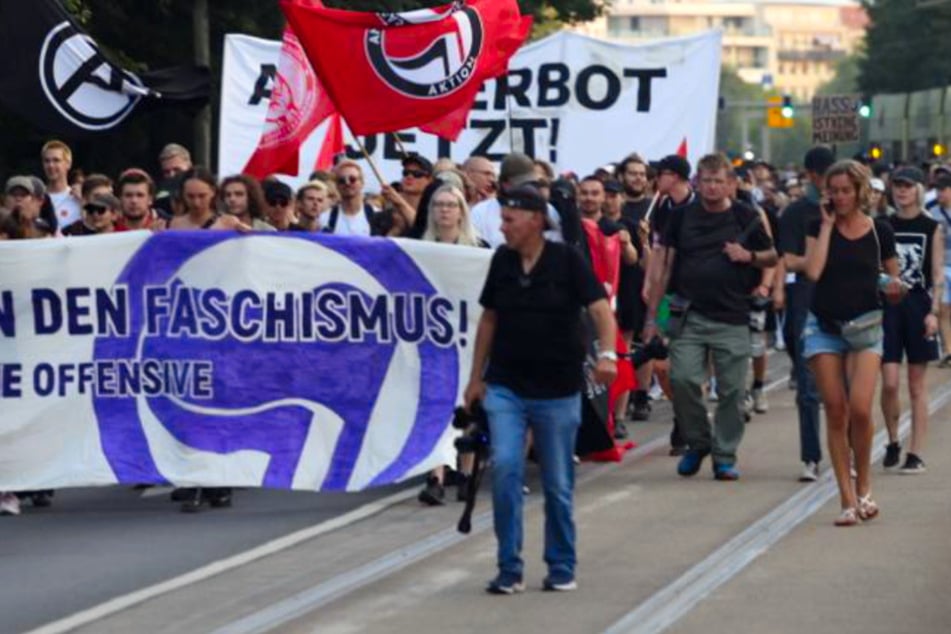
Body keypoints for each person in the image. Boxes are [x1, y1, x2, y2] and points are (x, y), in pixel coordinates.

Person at [464, 185, 617, 594]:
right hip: (506, 385)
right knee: (508, 468)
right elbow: (489, 319)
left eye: (509, 219)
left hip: (558, 389)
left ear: (534, 220)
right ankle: (509, 567)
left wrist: (608, 355)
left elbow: (600, 309)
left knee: (557, 482)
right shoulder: (502, 261)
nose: (503, 226)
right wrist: (475, 377)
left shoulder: (567, 259)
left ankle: (561, 564)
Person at [645, 154, 776, 481]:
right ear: (696, 183)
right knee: (683, 380)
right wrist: (653, 318)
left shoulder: (746, 215)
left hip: (732, 316)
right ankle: (698, 441)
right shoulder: (680, 217)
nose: (713, 187)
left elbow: (774, 255)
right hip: (688, 314)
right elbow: (664, 268)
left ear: (731, 183)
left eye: (719, 181)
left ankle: (724, 455)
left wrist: (749, 256)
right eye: (706, 180)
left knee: (732, 390)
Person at [803, 159, 902, 526]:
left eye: (847, 190)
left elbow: (893, 282)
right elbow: (813, 271)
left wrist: (894, 290)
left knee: (861, 408)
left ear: (860, 192)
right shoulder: (819, 225)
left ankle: (866, 486)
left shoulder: (881, 230)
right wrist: (828, 226)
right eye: (835, 191)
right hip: (824, 326)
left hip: (867, 326)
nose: (841, 197)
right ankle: (846, 498)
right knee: (835, 408)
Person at [416, 184, 487, 505]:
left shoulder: (478, 249)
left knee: (466, 408)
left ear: (461, 210)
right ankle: (436, 476)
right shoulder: (418, 248)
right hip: (432, 340)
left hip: (468, 339)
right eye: (438, 205)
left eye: (450, 205)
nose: (444, 210)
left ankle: (468, 474)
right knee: (434, 409)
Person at [777, 146, 835, 482]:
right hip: (806, 301)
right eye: (826, 177)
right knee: (809, 386)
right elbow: (790, 260)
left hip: (845, 301)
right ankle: (811, 456)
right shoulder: (795, 213)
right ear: (812, 175)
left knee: (844, 389)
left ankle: (849, 451)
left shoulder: (850, 211)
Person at [880, 166, 943, 474]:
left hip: (918, 305)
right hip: (888, 306)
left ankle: (915, 452)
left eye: (907, 186)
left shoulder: (931, 227)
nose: (901, 191)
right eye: (897, 186)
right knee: (889, 382)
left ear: (918, 188)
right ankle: (893, 439)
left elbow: (935, 275)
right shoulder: (883, 224)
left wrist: (933, 312)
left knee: (917, 385)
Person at [470, 153, 563, 249]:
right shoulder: (480, 212)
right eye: (523, 183)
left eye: (532, 183)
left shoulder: (547, 210)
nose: (528, 188)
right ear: (505, 184)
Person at [320, 160, 377, 237]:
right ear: (336, 185)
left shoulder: (376, 214)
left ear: (362, 183)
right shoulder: (324, 219)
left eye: (352, 179)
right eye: (342, 181)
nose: (347, 183)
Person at [929, 176, 951, 366]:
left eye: (943, 189)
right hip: (942, 266)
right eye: (937, 190)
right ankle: (948, 351)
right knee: (943, 309)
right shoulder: (931, 213)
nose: (939, 193)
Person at [41, 140, 82, 228]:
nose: (51, 165)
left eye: (56, 160)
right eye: (47, 161)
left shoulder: (78, 197)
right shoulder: (38, 198)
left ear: (68, 164)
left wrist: (84, 201)